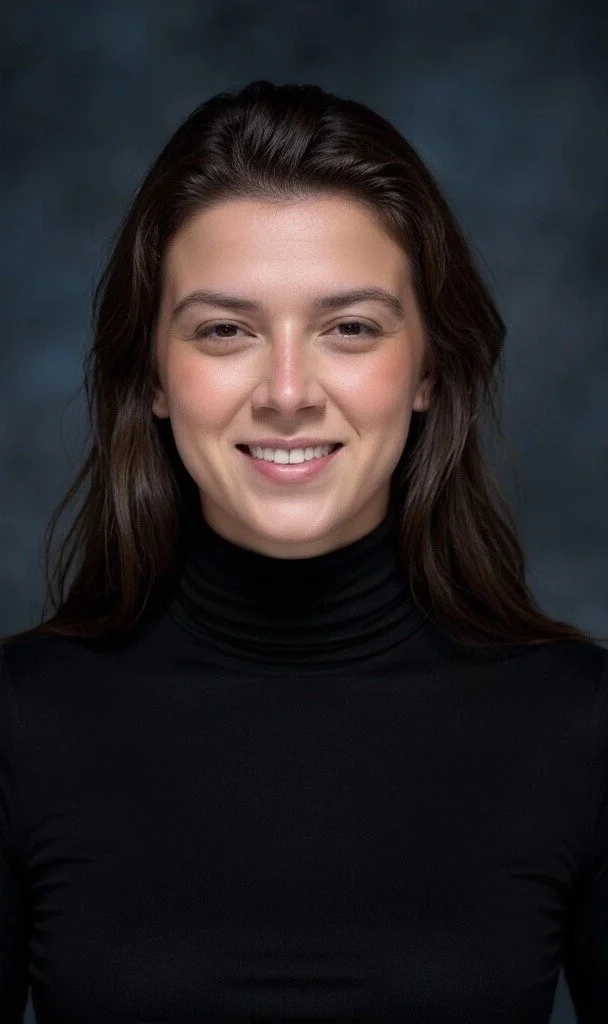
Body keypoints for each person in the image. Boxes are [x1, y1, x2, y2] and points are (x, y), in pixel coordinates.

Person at [1, 79, 606, 1024]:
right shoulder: (19, 723)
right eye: (226, 330)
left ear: (429, 371)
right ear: (154, 376)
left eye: (350, 328)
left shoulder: (581, 726)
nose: (288, 391)